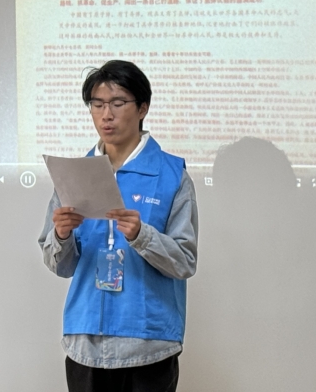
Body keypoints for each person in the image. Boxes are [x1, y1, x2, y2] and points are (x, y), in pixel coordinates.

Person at [38, 60, 198, 392]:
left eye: (117, 103)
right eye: (97, 104)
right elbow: (59, 266)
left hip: (148, 343)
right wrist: (62, 235)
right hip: (85, 341)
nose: (106, 115)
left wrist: (142, 236)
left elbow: (184, 261)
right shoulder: (75, 174)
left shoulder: (172, 175)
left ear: (143, 108)